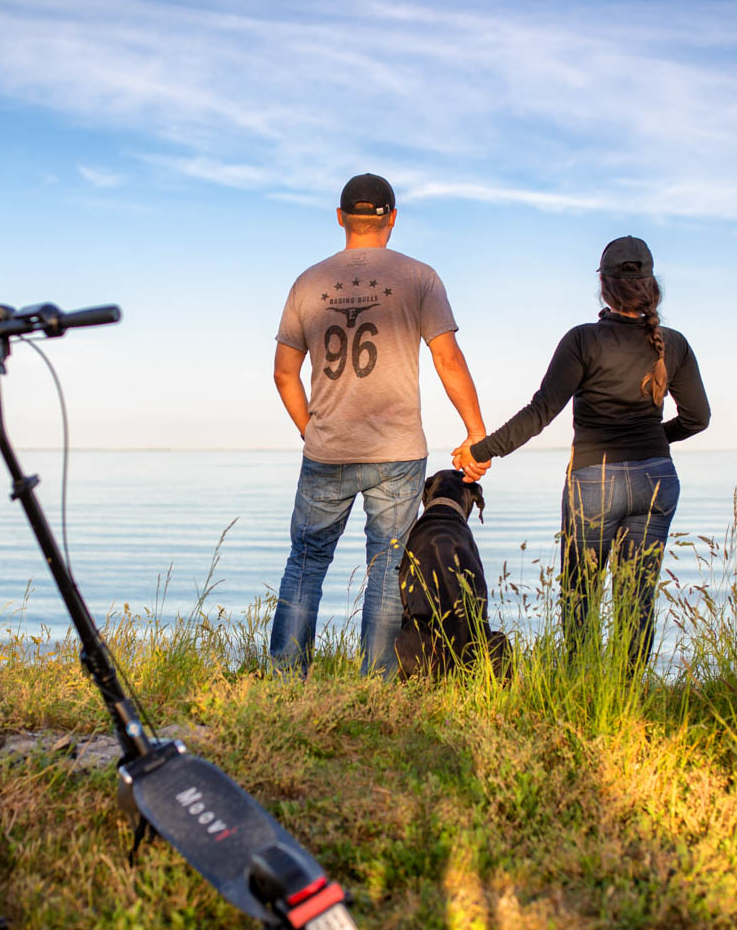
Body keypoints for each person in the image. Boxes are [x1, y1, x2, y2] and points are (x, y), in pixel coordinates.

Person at [453, 235, 710, 667]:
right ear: (651, 287)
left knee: (580, 593)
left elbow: (541, 412)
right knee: (638, 597)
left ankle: (581, 683)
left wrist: (482, 451)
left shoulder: (582, 340)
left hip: (595, 481)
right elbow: (697, 418)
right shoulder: (674, 343)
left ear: (605, 288)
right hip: (656, 480)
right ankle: (627, 697)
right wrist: (653, 441)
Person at [270, 173, 488, 677]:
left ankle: (284, 680)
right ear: (391, 218)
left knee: (305, 564)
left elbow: (284, 373)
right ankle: (377, 683)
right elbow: (447, 357)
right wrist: (476, 431)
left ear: (342, 217)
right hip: (396, 451)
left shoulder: (308, 281)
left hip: (327, 450)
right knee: (388, 570)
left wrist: (312, 429)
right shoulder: (420, 276)